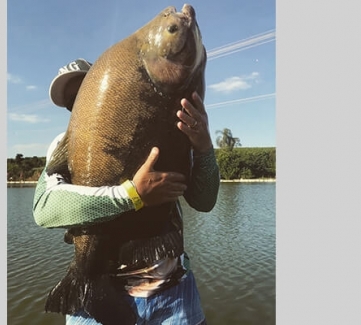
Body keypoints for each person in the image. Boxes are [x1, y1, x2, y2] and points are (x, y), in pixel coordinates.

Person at [33, 58, 220, 325]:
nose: (79, 105)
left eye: (85, 91)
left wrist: (203, 147)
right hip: (95, 295)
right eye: (71, 101)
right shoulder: (61, 145)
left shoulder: (154, 129)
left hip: (174, 296)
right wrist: (132, 195)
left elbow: (204, 201)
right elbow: (44, 209)